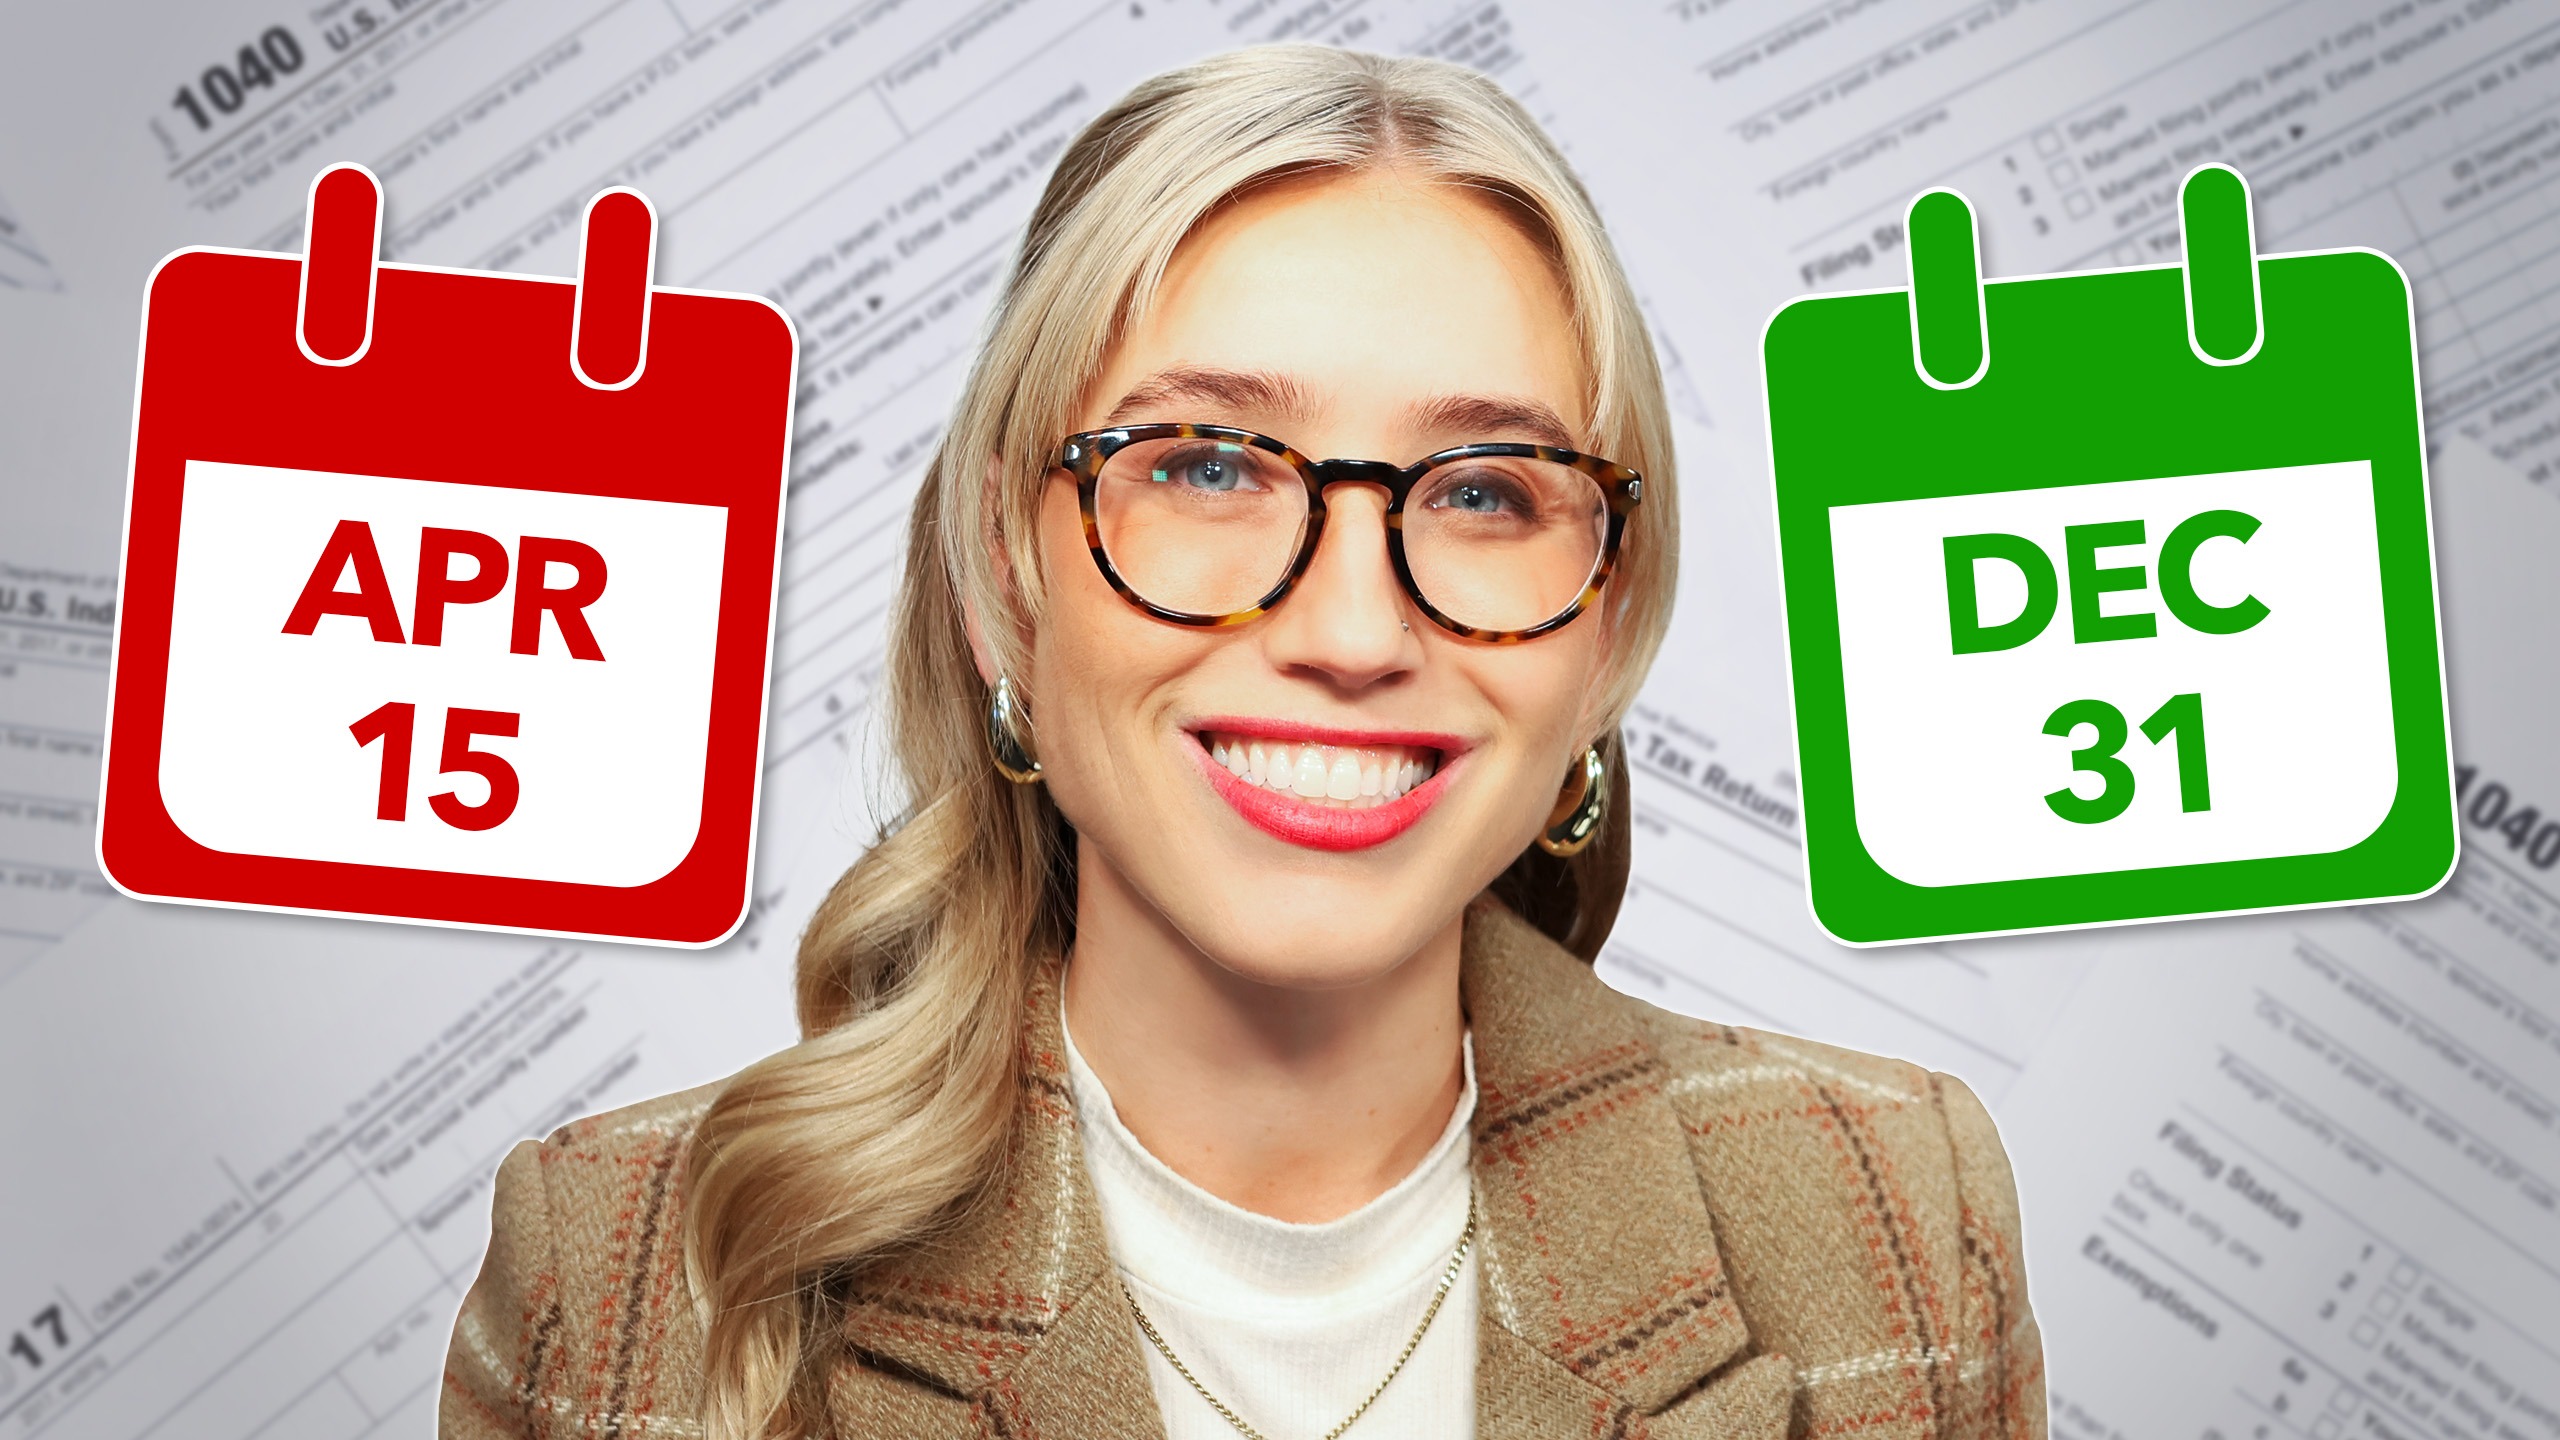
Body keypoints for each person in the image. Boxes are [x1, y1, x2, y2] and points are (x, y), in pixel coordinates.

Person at [439, 44, 2043, 1440]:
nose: (1351, 633)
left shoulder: (1892, 1205)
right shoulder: (618, 1271)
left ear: (1604, 630)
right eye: (1208, 465)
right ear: (1012, 575)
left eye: (1485, 492)